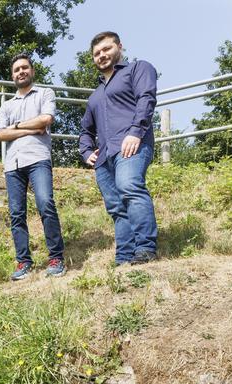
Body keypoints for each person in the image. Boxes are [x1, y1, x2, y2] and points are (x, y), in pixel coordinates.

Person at [79, 31, 159, 266]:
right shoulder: (94, 96)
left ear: (119, 47)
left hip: (131, 145)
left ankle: (145, 248)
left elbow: (146, 98)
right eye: (96, 53)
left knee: (130, 187)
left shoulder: (137, 69)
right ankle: (124, 256)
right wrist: (86, 152)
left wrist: (135, 131)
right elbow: (85, 130)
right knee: (115, 206)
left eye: (106, 49)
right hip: (104, 158)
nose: (101, 55)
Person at [0, 52, 66, 281]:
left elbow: (46, 120)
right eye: (16, 70)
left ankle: (56, 258)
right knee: (17, 214)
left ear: (32, 71)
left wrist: (15, 127)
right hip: (12, 165)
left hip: (38, 159)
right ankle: (23, 261)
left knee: (45, 204)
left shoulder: (45, 93)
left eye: (24, 68)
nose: (21, 72)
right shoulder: (7, 105)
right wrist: (29, 129)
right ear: (12, 75)